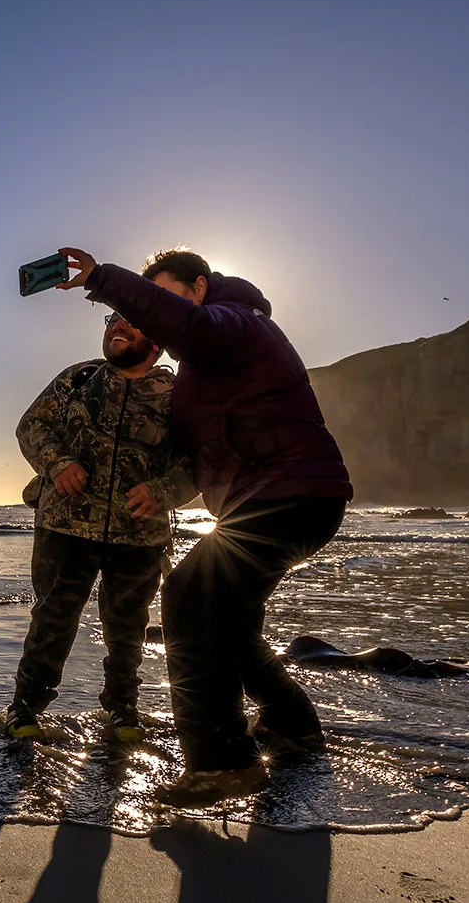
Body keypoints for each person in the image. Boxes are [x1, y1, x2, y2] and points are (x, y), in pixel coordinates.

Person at [56, 245, 353, 806]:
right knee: (230, 625)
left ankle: (222, 763)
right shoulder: (200, 367)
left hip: (290, 493)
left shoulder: (238, 325)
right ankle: (293, 725)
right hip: (267, 500)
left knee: (190, 596)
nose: (153, 317)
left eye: (165, 297)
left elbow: (190, 327)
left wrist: (103, 279)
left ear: (199, 287)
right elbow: (195, 456)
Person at [8, 309, 195, 745]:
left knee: (128, 629)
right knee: (52, 619)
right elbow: (31, 426)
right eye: (113, 318)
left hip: (140, 532)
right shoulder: (78, 379)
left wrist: (162, 490)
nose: (117, 326)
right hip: (65, 525)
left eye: (133, 321)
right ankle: (25, 706)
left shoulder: (177, 394)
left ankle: (122, 706)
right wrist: (58, 463)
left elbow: (199, 459)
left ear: (158, 342)